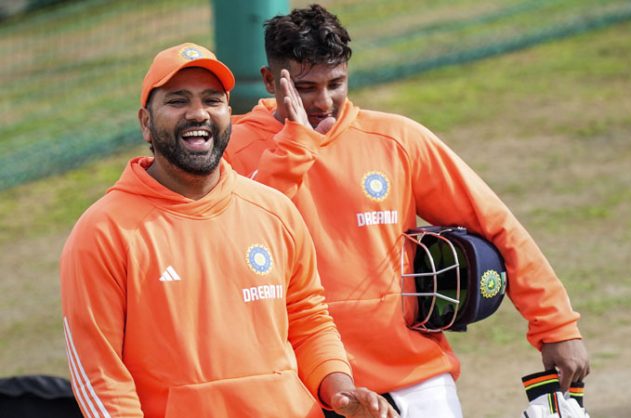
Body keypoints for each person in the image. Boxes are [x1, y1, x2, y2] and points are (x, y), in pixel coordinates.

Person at [223, 4, 590, 417]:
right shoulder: (231, 149)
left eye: (337, 83)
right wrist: (294, 144)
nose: (324, 102)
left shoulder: (397, 139)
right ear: (271, 80)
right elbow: (228, 245)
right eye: (306, 88)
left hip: (416, 377)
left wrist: (556, 326)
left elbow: (497, 225)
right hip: (298, 387)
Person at [60, 42, 398, 418]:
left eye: (212, 100)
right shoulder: (102, 232)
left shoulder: (274, 210)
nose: (198, 113)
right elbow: (100, 378)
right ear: (145, 123)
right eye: (177, 101)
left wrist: (342, 391)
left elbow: (309, 320)